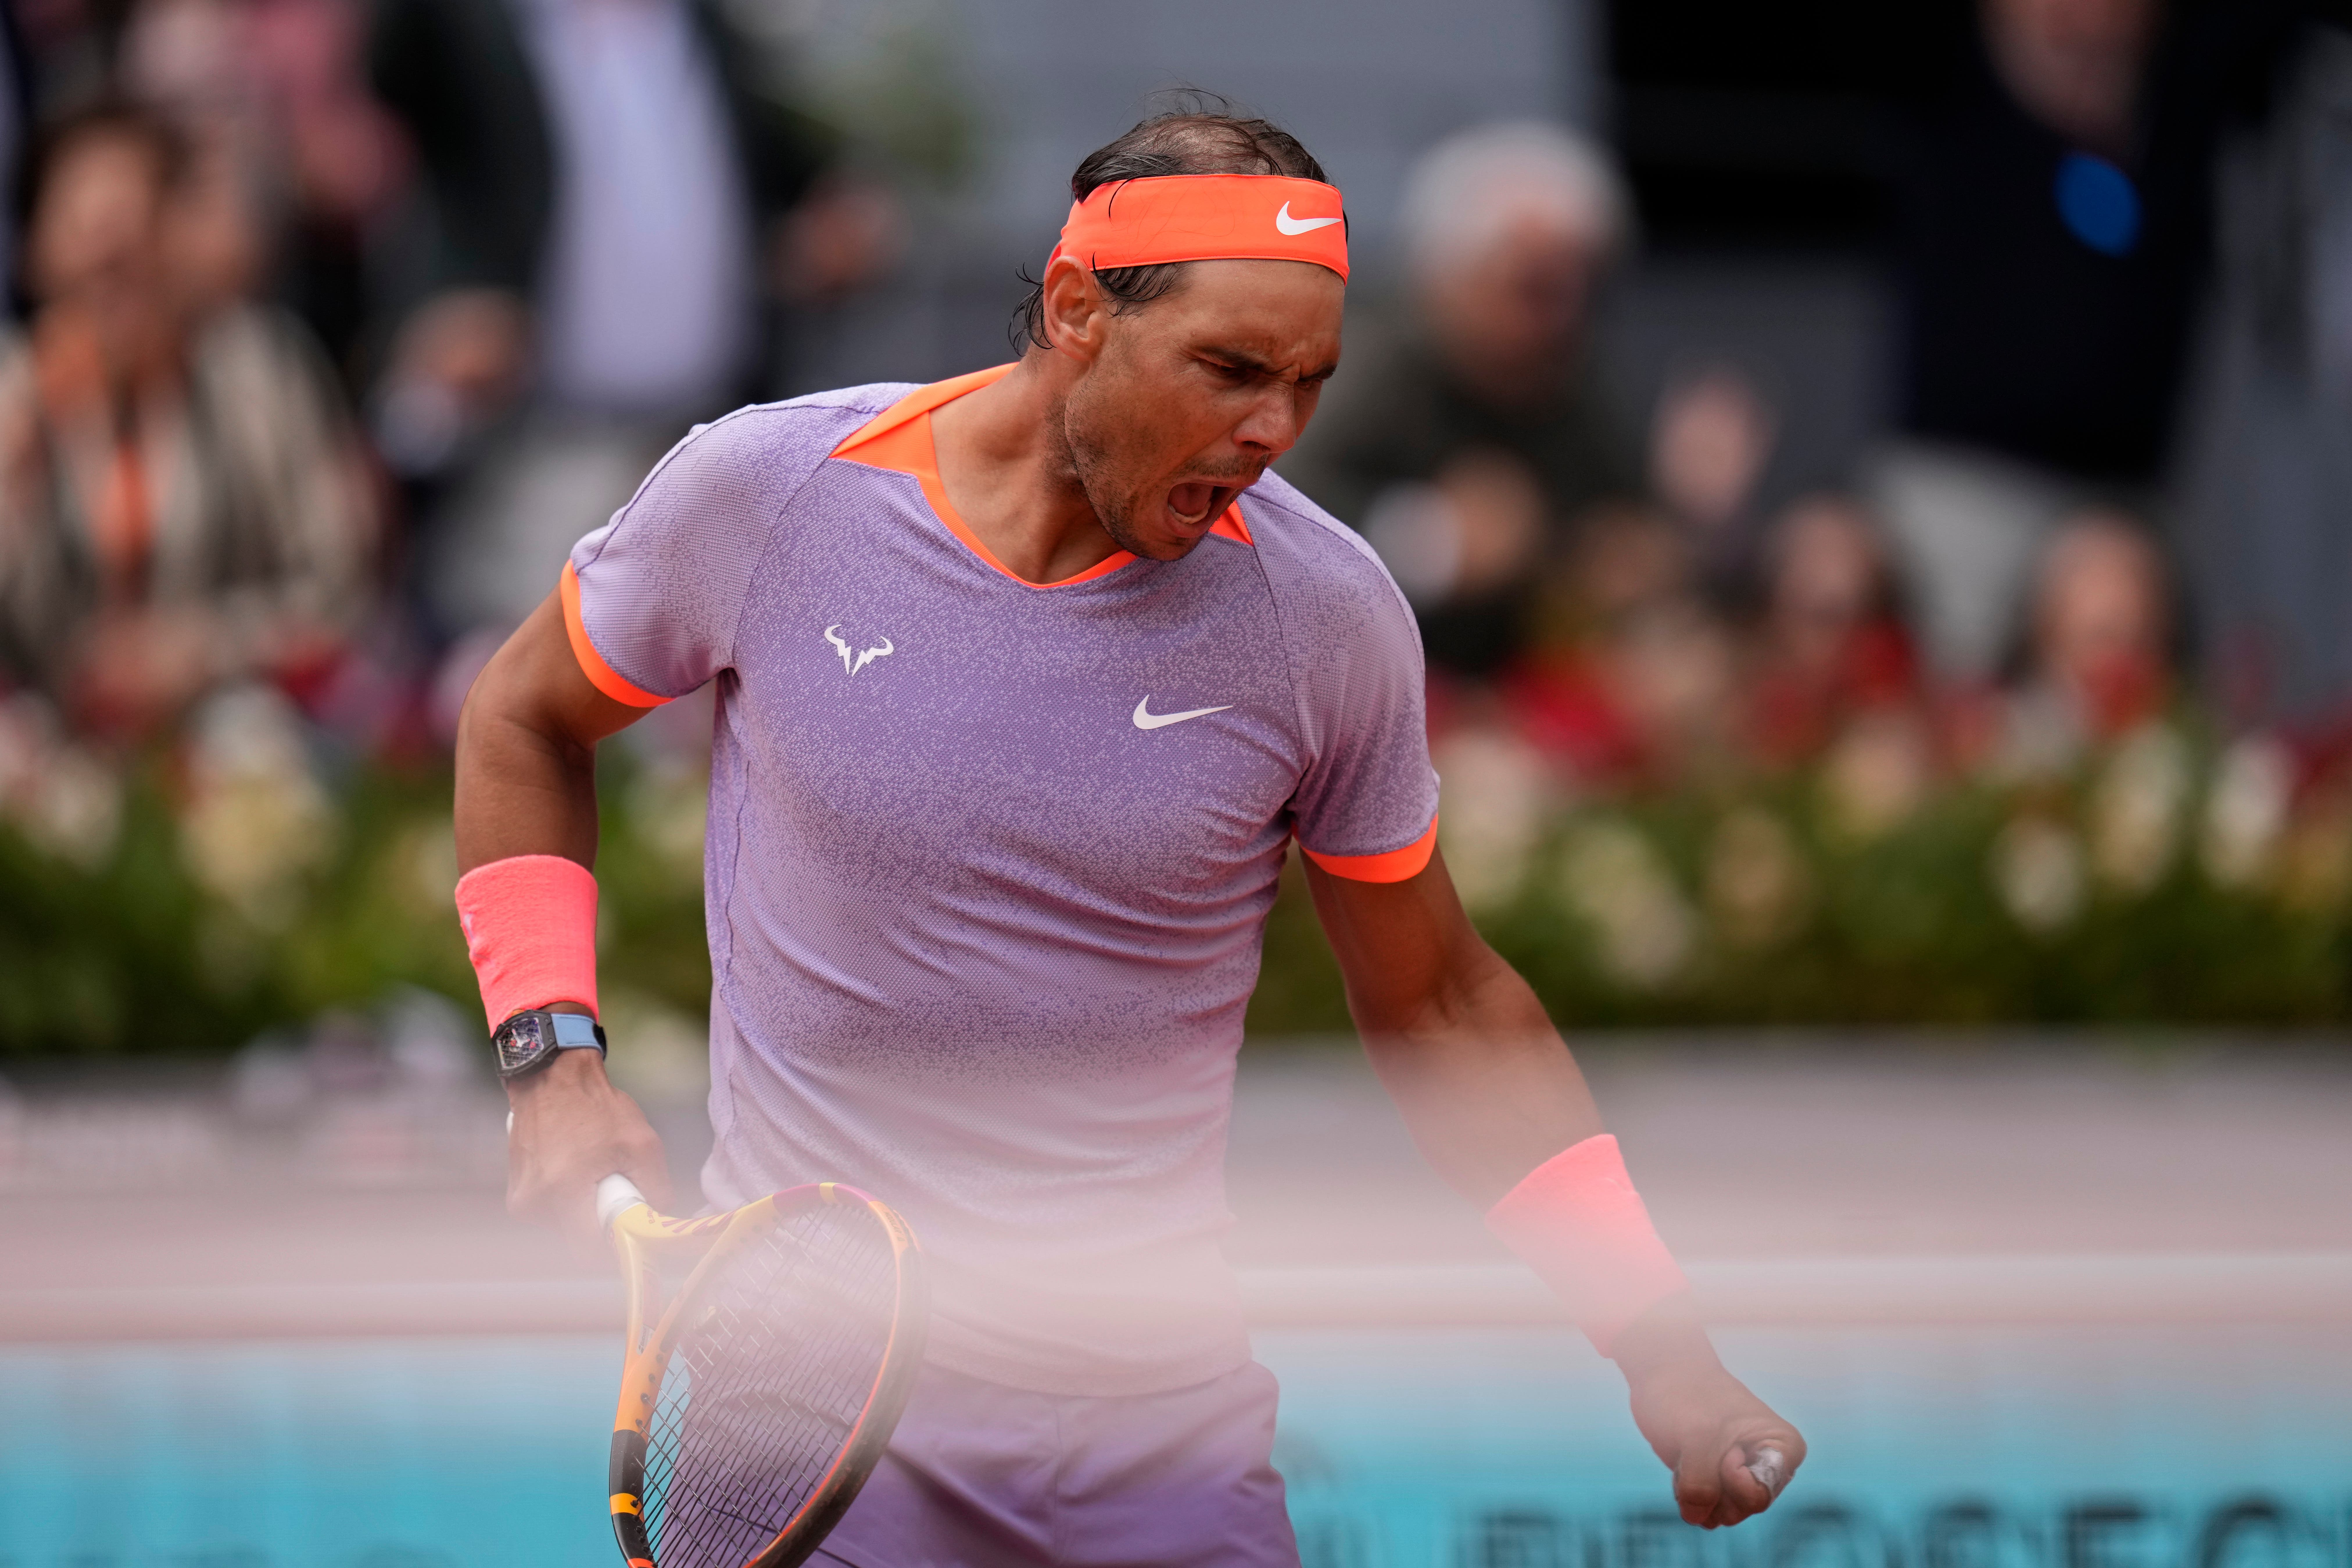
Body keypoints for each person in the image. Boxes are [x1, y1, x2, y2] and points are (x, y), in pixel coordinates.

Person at [454, 110, 1804, 1565]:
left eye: (1307, 383)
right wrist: (550, 1058)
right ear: (1076, 312)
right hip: (812, 1428)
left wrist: (1660, 1347)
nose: (1273, 430)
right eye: (1229, 369)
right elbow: (526, 718)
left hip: (1158, 1443)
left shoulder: (1325, 615)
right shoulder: (771, 493)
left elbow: (1446, 1004)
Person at [0, 103, 375, 737]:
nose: (112, 274)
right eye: (88, 245)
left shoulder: (262, 374)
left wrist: (204, 651)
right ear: (36, 254)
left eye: (135, 238)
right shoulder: (13, 395)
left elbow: (339, 592)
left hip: (233, 726)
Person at [1280, 121, 1642, 683]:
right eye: (1534, 288)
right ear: (1451, 274)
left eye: (1582, 288)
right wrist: (1432, 541)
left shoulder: (1569, 384)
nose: (1562, 318)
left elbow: (1616, 518)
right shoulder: (1358, 361)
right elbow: (1266, 506)